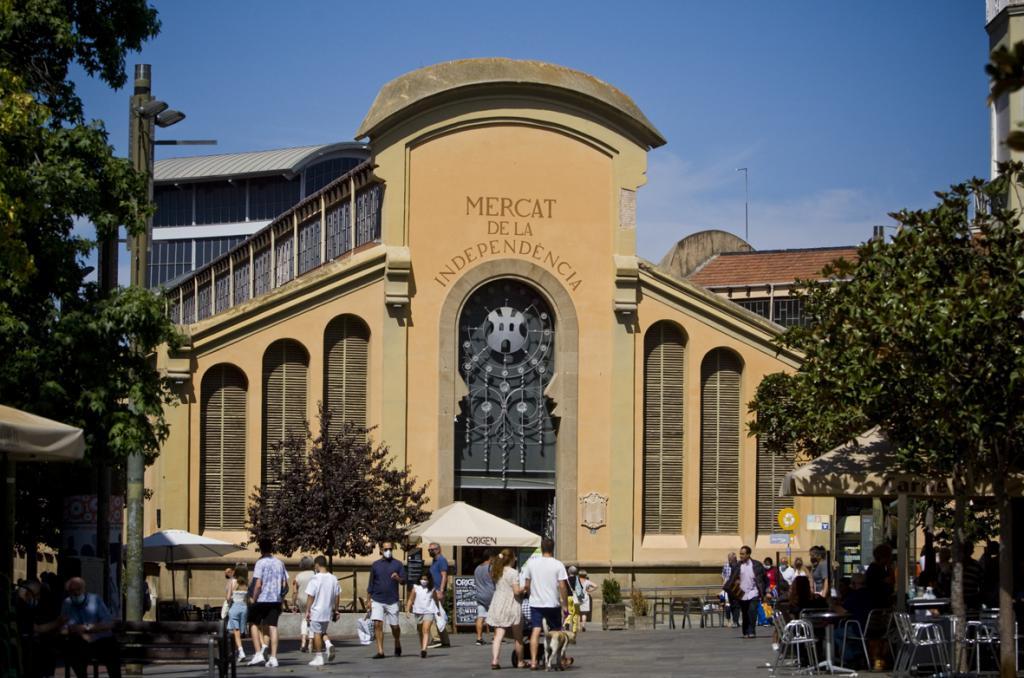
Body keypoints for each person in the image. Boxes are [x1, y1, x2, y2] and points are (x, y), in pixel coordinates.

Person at [523, 537, 570, 671]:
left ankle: (533, 662)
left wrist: (532, 594)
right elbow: (562, 586)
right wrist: (565, 604)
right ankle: (559, 660)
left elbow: (527, 585)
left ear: (541, 548)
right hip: (552, 603)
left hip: (536, 603)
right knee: (557, 632)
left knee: (536, 630)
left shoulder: (531, 563)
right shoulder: (558, 564)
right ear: (553, 549)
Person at [61, 577, 121, 678]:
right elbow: (63, 628)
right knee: (72, 648)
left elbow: (108, 624)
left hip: (101, 641)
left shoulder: (95, 600)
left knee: (111, 649)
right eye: (72, 590)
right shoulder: (67, 603)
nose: (76, 593)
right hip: (80, 642)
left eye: (78, 589)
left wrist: (86, 628)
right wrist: (78, 632)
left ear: (83, 589)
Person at [248, 538, 289, 667]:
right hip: (275, 600)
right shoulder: (280, 563)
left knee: (253, 623)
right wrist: (281, 598)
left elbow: (258, 584)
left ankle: (258, 653)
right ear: (272, 548)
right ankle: (274, 657)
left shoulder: (260, 563)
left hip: (262, 599)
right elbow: (284, 584)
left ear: (261, 549)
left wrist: (253, 598)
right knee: (272, 627)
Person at [485, 548, 525, 669]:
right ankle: (520, 661)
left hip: (498, 603)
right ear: (512, 559)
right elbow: (516, 591)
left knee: (498, 636)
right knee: (518, 637)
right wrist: (525, 588)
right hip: (511, 603)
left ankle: (495, 661)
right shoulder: (513, 572)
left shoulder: (496, 570)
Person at [367, 541, 405, 659]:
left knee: (395, 626)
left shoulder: (398, 564)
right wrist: (368, 600)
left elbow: (403, 581)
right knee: (377, 624)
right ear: (381, 550)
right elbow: (371, 583)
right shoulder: (375, 565)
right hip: (377, 599)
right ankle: (380, 651)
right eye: (386, 549)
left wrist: (398, 578)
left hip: (392, 600)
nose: (388, 551)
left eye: (390, 549)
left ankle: (397, 641)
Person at [723, 545, 767, 638]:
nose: (741, 556)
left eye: (743, 554)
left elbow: (764, 579)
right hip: (742, 594)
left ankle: (752, 631)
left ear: (748, 554)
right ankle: (745, 632)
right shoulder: (738, 565)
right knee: (745, 613)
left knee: (752, 611)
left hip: (753, 592)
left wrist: (766, 591)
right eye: (740, 554)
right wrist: (730, 587)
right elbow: (732, 578)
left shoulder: (757, 565)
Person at [304, 555, 340, 667]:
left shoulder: (315, 578)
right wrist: (336, 610)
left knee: (316, 633)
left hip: (316, 610)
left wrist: (307, 610)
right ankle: (328, 644)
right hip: (327, 611)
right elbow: (337, 595)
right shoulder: (333, 578)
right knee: (322, 631)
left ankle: (319, 657)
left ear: (317, 565)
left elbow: (310, 596)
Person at [864, 543, 895, 671]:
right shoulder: (878, 570)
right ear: (884, 557)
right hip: (877, 607)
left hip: (876, 607)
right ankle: (877, 660)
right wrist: (890, 569)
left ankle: (878, 660)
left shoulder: (875, 569)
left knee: (880, 634)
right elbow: (890, 584)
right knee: (878, 635)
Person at [406, 570, 437, 658]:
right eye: (422, 579)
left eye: (425, 579)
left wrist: (438, 610)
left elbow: (436, 600)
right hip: (418, 611)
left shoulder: (432, 589)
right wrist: (407, 610)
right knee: (420, 631)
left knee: (426, 630)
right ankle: (422, 647)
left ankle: (424, 650)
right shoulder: (416, 588)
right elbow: (410, 599)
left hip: (429, 611)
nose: (423, 581)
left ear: (429, 580)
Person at [426, 542, 451, 649]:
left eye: (432, 549)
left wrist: (441, 590)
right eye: (429, 550)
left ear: (438, 550)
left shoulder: (441, 560)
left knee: (432, 614)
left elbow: (444, 576)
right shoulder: (434, 561)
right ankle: (445, 640)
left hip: (437, 592)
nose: (430, 551)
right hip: (433, 591)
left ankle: (436, 638)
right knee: (439, 615)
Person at [292, 556, 316, 653]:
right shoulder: (315, 574)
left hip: (301, 599)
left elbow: (295, 592)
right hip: (313, 599)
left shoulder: (298, 576)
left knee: (304, 619)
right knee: (312, 620)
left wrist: (294, 604)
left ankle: (303, 642)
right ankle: (310, 642)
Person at [225, 567, 249, 663]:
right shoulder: (247, 583)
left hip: (234, 607)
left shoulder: (232, 582)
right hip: (244, 608)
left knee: (236, 631)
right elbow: (248, 598)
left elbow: (228, 598)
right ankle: (236, 652)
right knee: (240, 632)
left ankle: (241, 651)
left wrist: (231, 599)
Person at [473, 549, 495, 646]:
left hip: (480, 595)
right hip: (491, 594)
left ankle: (479, 638)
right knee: (495, 616)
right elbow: (495, 579)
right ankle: (496, 637)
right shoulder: (491, 567)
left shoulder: (477, 568)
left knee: (480, 616)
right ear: (491, 557)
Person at [721, 552, 741, 628]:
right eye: (729, 558)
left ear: (735, 558)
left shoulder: (739, 565)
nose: (729, 560)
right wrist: (724, 581)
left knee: (737, 604)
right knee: (731, 604)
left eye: (731, 559)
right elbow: (723, 574)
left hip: (736, 586)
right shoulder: (726, 565)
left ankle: (736, 621)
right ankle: (734, 620)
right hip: (729, 587)